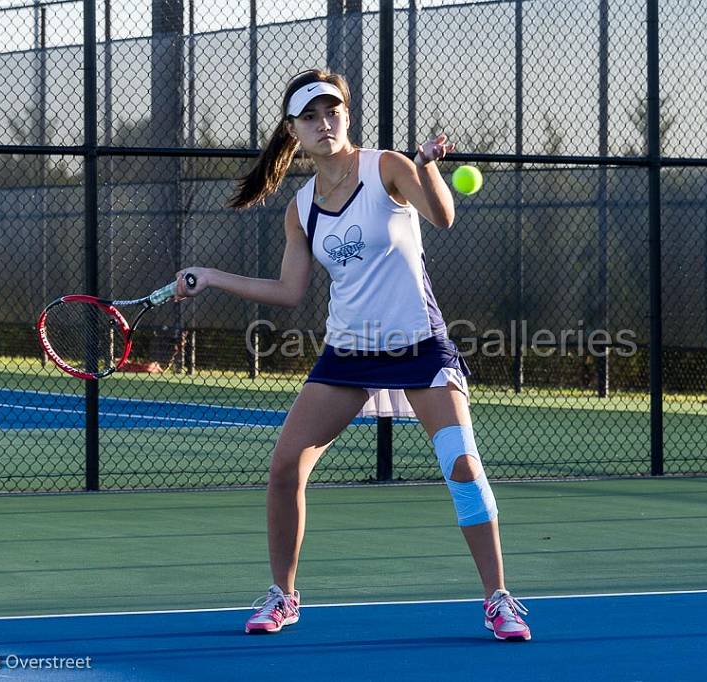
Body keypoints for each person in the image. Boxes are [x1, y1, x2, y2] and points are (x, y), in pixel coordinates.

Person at [175, 68, 531, 641]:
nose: (324, 123)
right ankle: (283, 595)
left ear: (347, 114)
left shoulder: (387, 168)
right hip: (348, 353)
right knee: (286, 466)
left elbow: (443, 216)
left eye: (332, 110)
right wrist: (212, 277)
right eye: (310, 116)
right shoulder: (302, 207)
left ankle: (499, 599)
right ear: (293, 130)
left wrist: (429, 166)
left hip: (420, 347)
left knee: (463, 466)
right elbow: (289, 292)